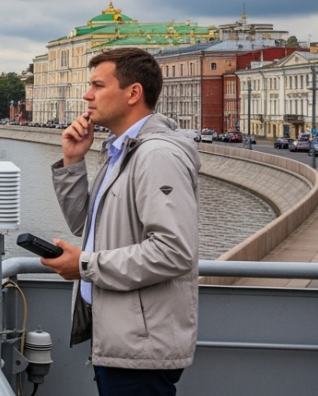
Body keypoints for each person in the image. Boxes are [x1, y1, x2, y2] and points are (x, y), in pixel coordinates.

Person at [41, 47, 200, 396]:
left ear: (133, 93)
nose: (87, 95)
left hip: (141, 345)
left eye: (98, 85)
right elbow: (85, 224)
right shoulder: (120, 149)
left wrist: (84, 265)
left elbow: (174, 252)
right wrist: (72, 162)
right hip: (120, 333)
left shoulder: (156, 155)